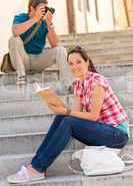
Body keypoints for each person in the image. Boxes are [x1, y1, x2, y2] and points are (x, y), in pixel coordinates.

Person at [7, 46, 129, 184]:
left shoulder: (97, 81)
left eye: (78, 62)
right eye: (70, 63)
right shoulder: (78, 85)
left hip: (117, 134)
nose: (74, 66)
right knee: (62, 118)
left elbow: (93, 116)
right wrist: (56, 106)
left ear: (87, 62)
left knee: (67, 121)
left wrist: (67, 112)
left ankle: (37, 168)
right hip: (102, 130)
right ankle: (35, 166)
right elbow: (74, 115)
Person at [8, 0, 72, 89]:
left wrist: (49, 24)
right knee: (13, 39)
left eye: (45, 8)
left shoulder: (44, 22)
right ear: (32, 8)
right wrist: (35, 19)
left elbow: (55, 44)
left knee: (60, 50)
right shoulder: (21, 17)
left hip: (38, 59)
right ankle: (21, 76)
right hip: (22, 59)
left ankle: (69, 84)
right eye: (41, 8)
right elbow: (15, 31)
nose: (43, 11)